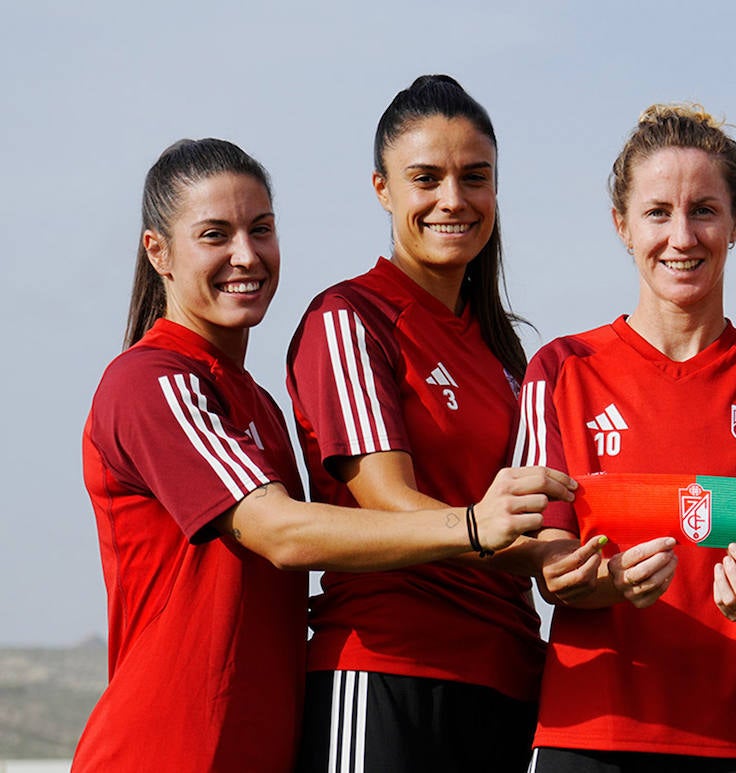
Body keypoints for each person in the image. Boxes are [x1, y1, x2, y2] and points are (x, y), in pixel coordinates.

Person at [78, 138, 572, 772]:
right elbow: (280, 532)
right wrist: (473, 524)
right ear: (158, 252)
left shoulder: (255, 403)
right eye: (214, 235)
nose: (245, 255)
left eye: (261, 229)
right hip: (166, 751)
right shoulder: (150, 381)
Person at [511, 103, 736, 772]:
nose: (681, 236)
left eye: (704, 210)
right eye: (658, 212)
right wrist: (601, 580)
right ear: (621, 224)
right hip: (589, 736)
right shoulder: (562, 371)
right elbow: (547, 561)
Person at [286, 75, 572, 772]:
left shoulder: (509, 355)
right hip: (387, 666)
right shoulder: (352, 319)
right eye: (426, 178)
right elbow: (389, 502)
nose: (454, 199)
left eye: (475, 177)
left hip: (507, 675)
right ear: (383, 189)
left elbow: (536, 522)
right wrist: (524, 545)